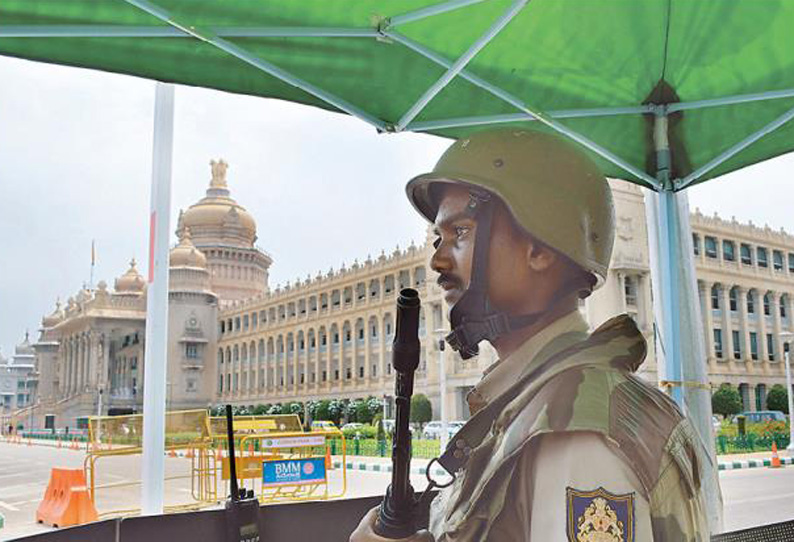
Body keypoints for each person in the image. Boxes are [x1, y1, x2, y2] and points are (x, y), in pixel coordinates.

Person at [350, 129, 711, 542]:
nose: (437, 259)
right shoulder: (531, 405)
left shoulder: (574, 432)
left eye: (461, 233)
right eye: (439, 238)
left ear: (540, 248)